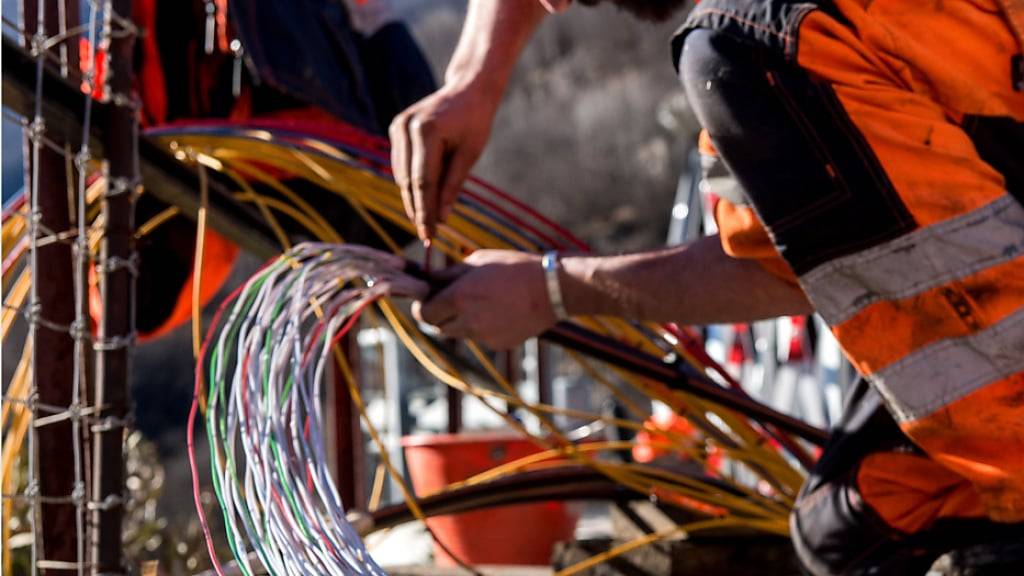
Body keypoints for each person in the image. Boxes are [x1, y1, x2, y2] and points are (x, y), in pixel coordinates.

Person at [389, 0, 1024, 574]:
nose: (550, 6)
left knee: (872, 535)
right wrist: (475, 74)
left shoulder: (762, 40)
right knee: (842, 525)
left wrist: (549, 291)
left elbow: (780, 270)